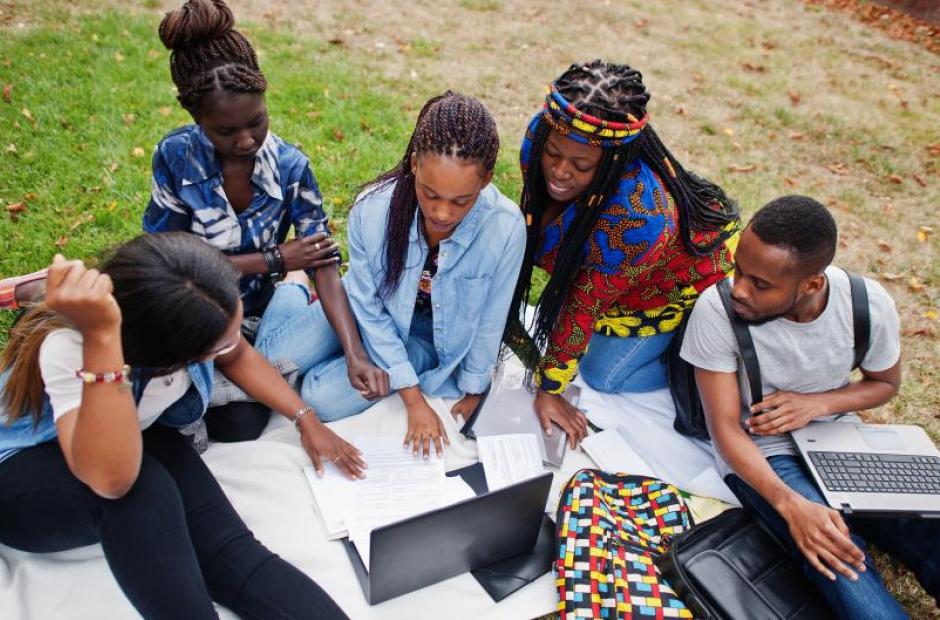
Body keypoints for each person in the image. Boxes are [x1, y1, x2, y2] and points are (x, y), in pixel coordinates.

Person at [0, 233, 359, 619]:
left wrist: (304, 418)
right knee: (144, 494)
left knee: (231, 554)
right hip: (25, 470)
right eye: (214, 347)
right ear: (166, 356)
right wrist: (102, 339)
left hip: (135, 431)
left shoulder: (187, 306)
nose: (232, 344)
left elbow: (237, 352)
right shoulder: (72, 346)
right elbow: (111, 480)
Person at [681, 196, 938, 618]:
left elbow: (884, 384)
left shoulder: (867, 304)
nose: (739, 289)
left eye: (760, 284)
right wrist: (790, 504)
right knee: (839, 556)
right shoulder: (717, 310)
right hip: (765, 453)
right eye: (739, 270)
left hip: (838, 438)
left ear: (812, 285)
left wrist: (816, 404)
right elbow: (725, 427)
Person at [143, 0, 386, 441]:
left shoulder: (292, 167)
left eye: (256, 121)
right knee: (215, 421)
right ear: (194, 118)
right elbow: (165, 263)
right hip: (196, 318)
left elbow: (324, 263)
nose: (246, 139)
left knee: (243, 418)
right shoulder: (176, 157)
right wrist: (273, 258)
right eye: (224, 131)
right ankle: (270, 352)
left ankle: (283, 322)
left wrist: (354, 354)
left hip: (260, 317)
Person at [266, 92, 525, 458]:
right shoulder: (372, 210)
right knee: (272, 360)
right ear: (415, 165)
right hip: (365, 313)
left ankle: (322, 330)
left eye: (460, 201)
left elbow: (490, 319)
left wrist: (473, 389)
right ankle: (295, 283)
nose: (443, 213)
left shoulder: (506, 227)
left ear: (486, 181)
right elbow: (369, 308)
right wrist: (411, 398)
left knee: (318, 396)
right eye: (430, 194)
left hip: (425, 340)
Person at [505, 60, 739, 447]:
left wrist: (549, 388)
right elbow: (531, 218)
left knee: (601, 376)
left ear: (614, 161)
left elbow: (582, 305)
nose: (560, 172)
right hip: (618, 275)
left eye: (581, 166)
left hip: (665, 290)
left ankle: (694, 358)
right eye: (554, 154)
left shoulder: (640, 217)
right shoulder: (544, 131)